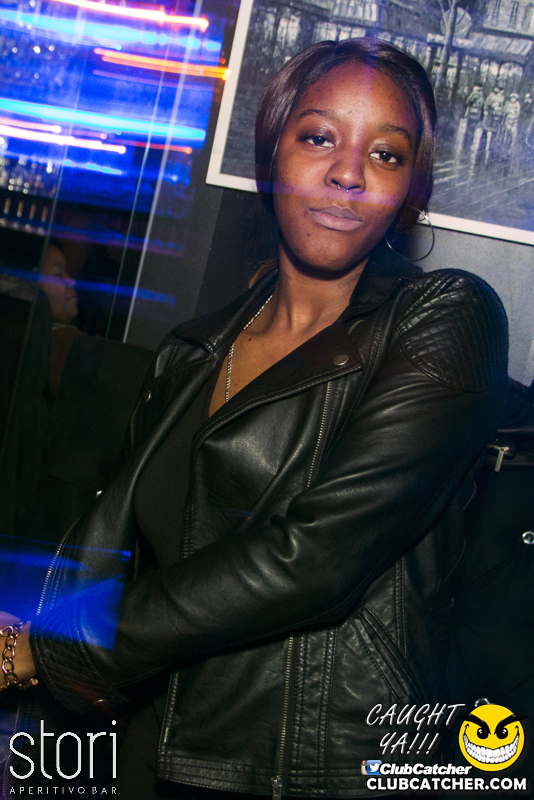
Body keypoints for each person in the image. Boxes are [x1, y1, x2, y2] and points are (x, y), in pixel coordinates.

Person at [0, 38, 508, 799]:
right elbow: (128, 551)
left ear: (408, 189)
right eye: (319, 137)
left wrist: (46, 649)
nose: (349, 172)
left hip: (318, 766)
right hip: (152, 749)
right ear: (273, 156)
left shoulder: (443, 317)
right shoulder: (192, 352)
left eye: (386, 154)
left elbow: (315, 558)